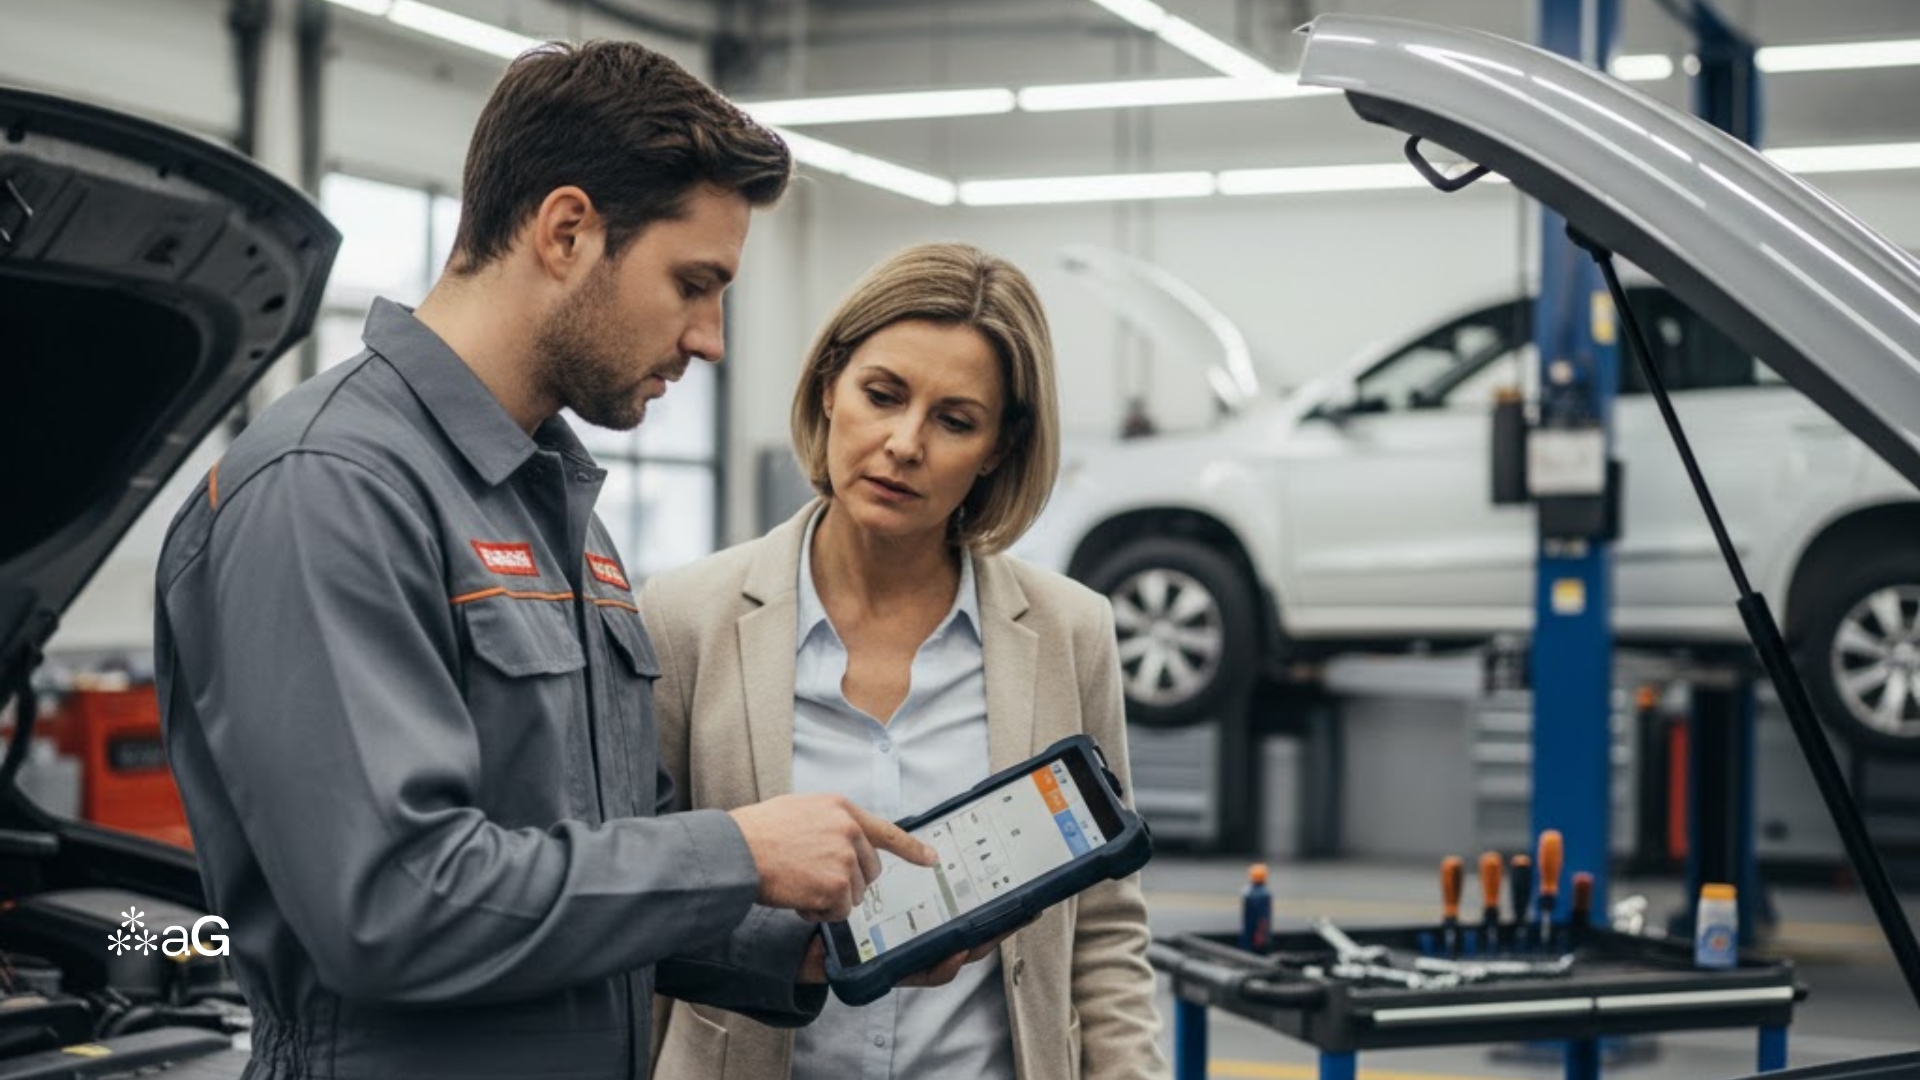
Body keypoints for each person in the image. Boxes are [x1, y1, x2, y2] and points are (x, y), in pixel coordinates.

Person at [153, 40, 942, 1080]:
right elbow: (392, 901)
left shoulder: (558, 508)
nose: (710, 339)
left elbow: (602, 862)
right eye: (693, 283)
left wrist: (798, 940)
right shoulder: (330, 488)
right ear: (568, 231)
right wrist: (738, 853)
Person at [641, 242, 1170, 1079]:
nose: (904, 443)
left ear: (998, 447)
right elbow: (643, 904)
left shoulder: (1072, 631)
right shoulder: (684, 619)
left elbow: (1102, 924)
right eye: (881, 396)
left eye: (955, 420)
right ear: (829, 386)